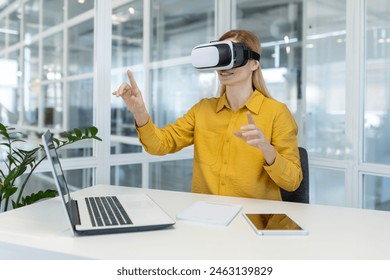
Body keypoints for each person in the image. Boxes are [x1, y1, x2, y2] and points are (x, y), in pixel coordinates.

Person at [112, 29, 302, 201]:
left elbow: (293, 182)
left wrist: (267, 150)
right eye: (220, 58)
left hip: (254, 224)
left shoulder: (277, 113)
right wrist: (139, 111)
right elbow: (159, 145)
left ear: (254, 63)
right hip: (205, 219)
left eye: (232, 56)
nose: (224, 66)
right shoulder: (203, 110)